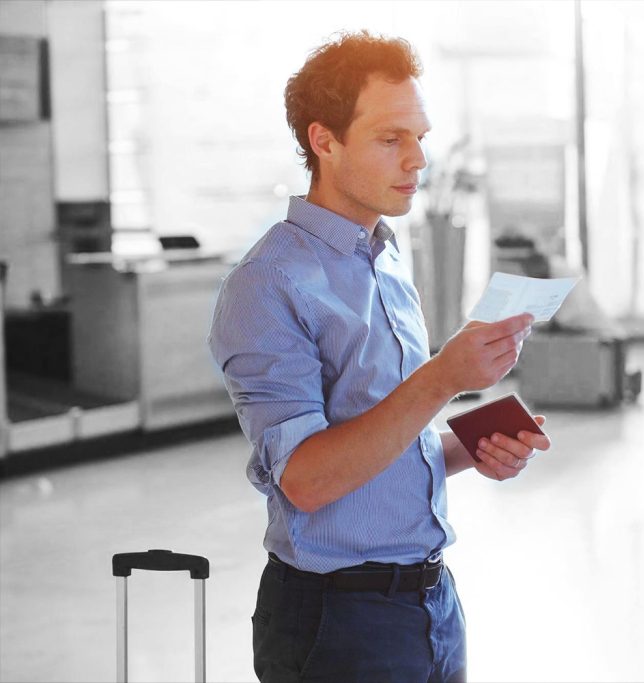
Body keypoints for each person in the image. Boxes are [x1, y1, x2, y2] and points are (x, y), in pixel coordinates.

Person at [208, 31, 551, 682]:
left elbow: (386, 438)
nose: (417, 158)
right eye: (391, 139)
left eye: (420, 137)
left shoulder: (385, 258)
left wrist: (470, 446)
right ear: (324, 141)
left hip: (431, 602)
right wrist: (445, 375)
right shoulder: (267, 284)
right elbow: (307, 480)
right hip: (339, 621)